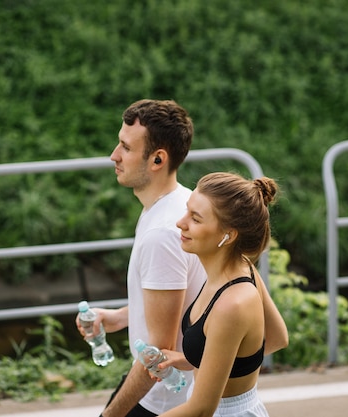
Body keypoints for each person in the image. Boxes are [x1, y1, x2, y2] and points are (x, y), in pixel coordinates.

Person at [76, 99, 206, 417]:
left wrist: (111, 415)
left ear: (157, 159)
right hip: (173, 389)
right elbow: (181, 303)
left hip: (164, 398)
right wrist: (119, 317)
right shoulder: (183, 203)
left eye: (126, 147)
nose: (114, 156)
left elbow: (158, 353)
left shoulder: (162, 233)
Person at [156, 172, 289, 417]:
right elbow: (277, 337)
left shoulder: (233, 304)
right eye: (187, 211)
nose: (180, 223)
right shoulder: (241, 267)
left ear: (228, 235)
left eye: (195, 219)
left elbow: (202, 409)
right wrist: (198, 361)